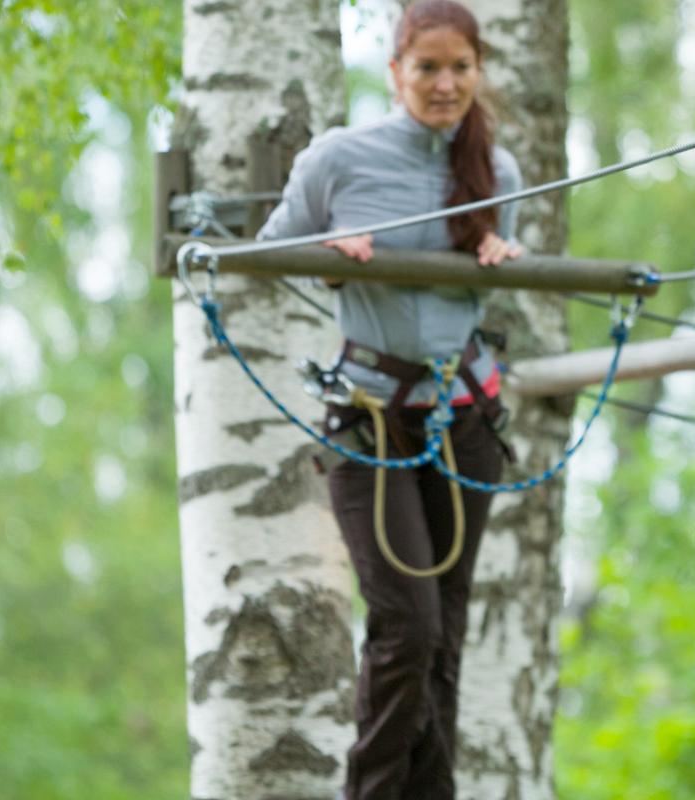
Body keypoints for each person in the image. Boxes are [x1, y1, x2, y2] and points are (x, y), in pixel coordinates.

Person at [255, 2, 524, 796]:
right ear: (395, 72)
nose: (445, 85)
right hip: (371, 418)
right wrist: (330, 259)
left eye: (461, 69)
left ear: (479, 72)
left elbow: (490, 268)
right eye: (427, 68)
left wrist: (501, 255)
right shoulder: (341, 158)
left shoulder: (495, 170)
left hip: (462, 418)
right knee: (408, 627)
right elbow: (273, 248)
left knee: (445, 639)